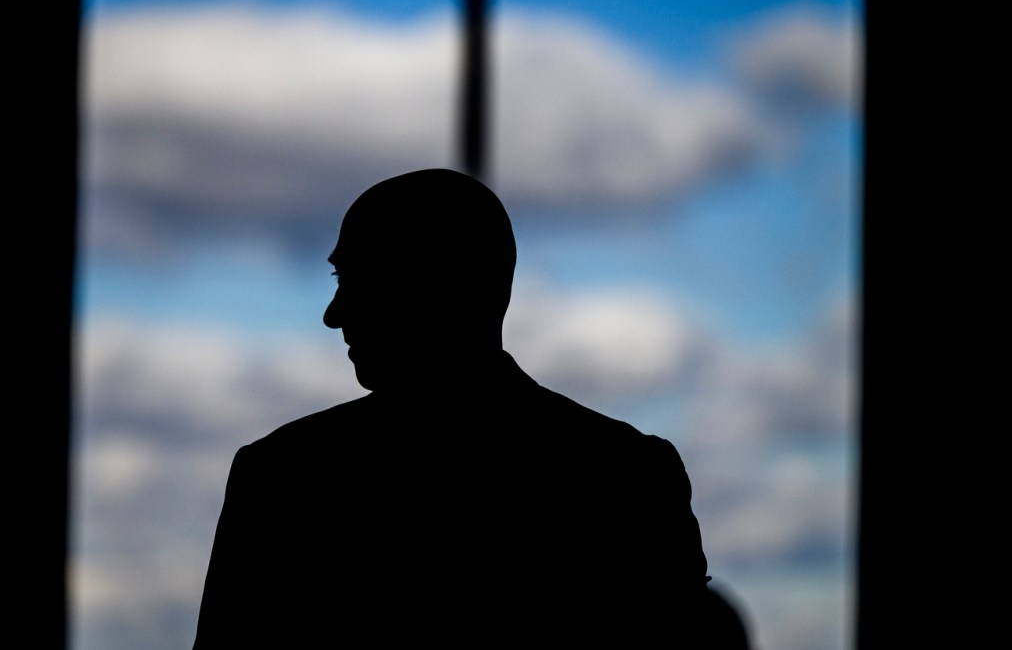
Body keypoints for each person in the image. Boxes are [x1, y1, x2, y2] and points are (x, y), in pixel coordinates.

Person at [195, 169, 746, 646]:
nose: (333, 314)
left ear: (434, 287)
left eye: (357, 281)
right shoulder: (627, 474)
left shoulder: (283, 478)